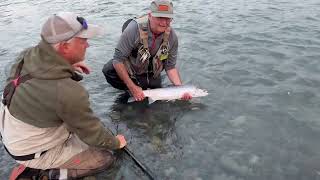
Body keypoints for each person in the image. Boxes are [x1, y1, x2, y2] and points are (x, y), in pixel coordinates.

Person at [0, 12, 127, 180]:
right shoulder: (67, 91)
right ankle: (41, 174)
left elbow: (42, 75)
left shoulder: (26, 55)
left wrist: (68, 64)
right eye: (83, 41)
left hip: (11, 135)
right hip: (31, 151)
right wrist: (116, 142)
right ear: (65, 47)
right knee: (105, 157)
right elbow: (93, 134)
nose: (87, 45)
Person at [102, 0, 192, 102]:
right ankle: (129, 89)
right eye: (159, 17)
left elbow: (170, 67)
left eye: (167, 19)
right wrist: (132, 87)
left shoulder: (172, 37)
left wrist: (180, 90)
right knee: (109, 69)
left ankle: (143, 89)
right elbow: (118, 60)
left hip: (152, 74)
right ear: (150, 15)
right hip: (133, 72)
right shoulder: (133, 29)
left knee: (155, 109)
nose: (164, 23)